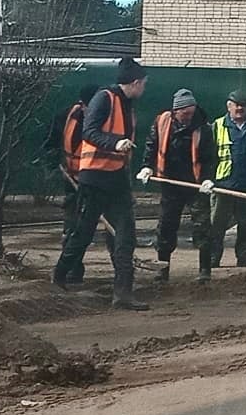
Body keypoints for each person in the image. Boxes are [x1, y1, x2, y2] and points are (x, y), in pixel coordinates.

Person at [52, 58, 150, 311]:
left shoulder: (127, 105)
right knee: (83, 232)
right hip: (94, 178)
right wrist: (116, 142)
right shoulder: (104, 98)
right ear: (136, 82)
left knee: (125, 236)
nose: (145, 89)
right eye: (144, 84)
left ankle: (123, 294)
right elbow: (89, 132)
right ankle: (59, 277)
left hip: (116, 178)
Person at [136, 89, 215, 283]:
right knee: (166, 226)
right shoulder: (162, 123)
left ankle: (205, 270)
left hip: (195, 185)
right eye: (185, 113)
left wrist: (208, 179)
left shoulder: (203, 128)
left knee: (203, 226)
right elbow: (151, 145)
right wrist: (147, 166)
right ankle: (163, 269)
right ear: (175, 112)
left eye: (191, 112)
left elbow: (209, 157)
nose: (189, 117)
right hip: (170, 184)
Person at [198, 90, 246, 278]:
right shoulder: (217, 126)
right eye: (235, 104)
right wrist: (207, 179)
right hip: (223, 183)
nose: (239, 108)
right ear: (228, 106)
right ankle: (213, 258)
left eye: (243, 104)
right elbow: (206, 155)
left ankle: (245, 256)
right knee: (217, 224)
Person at [44, 84, 100, 284]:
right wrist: (51, 158)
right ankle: (72, 270)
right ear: (82, 104)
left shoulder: (107, 119)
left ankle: (123, 274)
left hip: (100, 180)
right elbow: (50, 143)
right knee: (73, 227)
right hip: (73, 180)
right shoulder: (66, 117)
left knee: (108, 227)